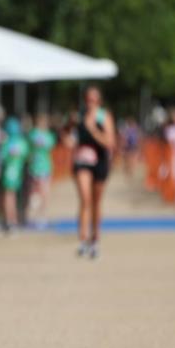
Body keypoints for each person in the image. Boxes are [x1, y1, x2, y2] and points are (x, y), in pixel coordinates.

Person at [72, 86, 116, 259]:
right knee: (85, 199)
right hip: (82, 162)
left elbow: (109, 142)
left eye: (94, 99)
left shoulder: (104, 117)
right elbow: (72, 138)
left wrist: (93, 129)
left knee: (96, 202)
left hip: (100, 161)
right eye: (88, 99)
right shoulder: (79, 116)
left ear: (99, 101)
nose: (90, 103)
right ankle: (82, 240)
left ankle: (95, 238)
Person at [0, 116, 29, 233]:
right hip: (19, 172)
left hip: (9, 172)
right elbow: (26, 155)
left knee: (8, 196)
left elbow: (1, 156)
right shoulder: (22, 142)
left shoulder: (7, 142)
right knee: (14, 197)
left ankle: (10, 221)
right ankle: (14, 220)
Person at [27, 113, 56, 228]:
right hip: (35, 167)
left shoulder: (48, 135)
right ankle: (35, 215)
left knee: (44, 192)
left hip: (45, 167)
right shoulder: (34, 134)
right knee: (37, 191)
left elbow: (50, 146)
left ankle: (42, 216)